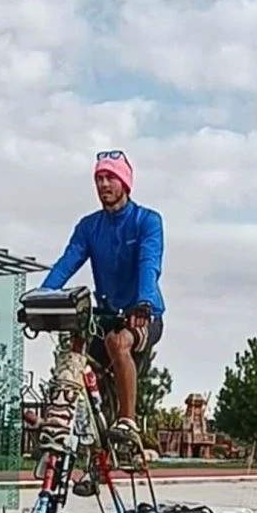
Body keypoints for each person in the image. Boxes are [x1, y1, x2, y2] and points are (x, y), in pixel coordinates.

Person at [40, 150, 165, 446]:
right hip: (106, 313)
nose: (104, 184)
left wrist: (143, 302)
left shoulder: (146, 221)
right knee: (76, 350)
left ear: (125, 182)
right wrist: (41, 297)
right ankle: (73, 429)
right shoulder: (89, 227)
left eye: (110, 177)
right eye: (99, 178)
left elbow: (149, 262)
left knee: (117, 342)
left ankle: (128, 422)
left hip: (143, 314)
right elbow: (67, 262)